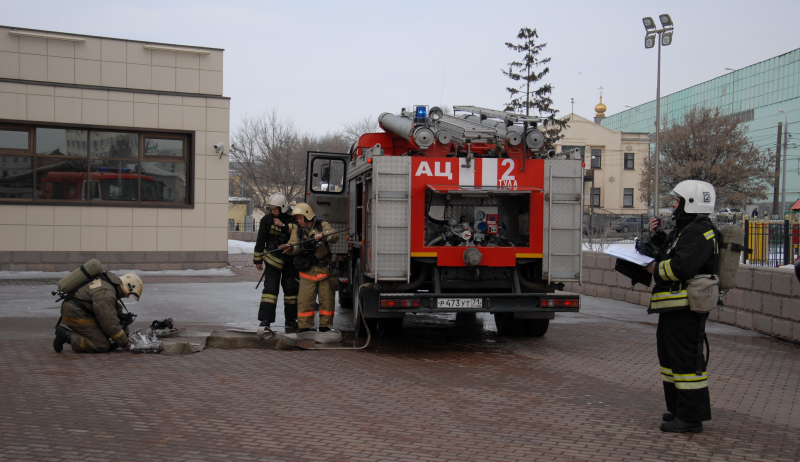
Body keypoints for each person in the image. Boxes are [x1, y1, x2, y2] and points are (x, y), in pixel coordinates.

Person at [645, 180, 717, 433]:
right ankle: (677, 408)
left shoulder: (699, 233)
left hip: (686, 308)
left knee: (686, 364)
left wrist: (654, 269)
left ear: (691, 203)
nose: (674, 205)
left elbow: (681, 267)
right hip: (673, 307)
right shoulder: (688, 230)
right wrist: (659, 238)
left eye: (678, 201)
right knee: (670, 361)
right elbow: (674, 253)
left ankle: (690, 417)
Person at [280, 203, 339, 333]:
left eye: (300, 218)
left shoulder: (321, 225)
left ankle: (325, 327)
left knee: (327, 301)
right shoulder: (297, 230)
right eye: (297, 218)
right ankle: (304, 327)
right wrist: (289, 248)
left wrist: (323, 235)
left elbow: (334, 236)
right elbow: (294, 244)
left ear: (307, 216)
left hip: (324, 271)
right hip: (307, 271)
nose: (299, 221)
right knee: (304, 301)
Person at [53, 272, 144, 353]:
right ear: (127, 285)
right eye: (130, 293)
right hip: (75, 314)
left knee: (107, 334)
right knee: (101, 344)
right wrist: (124, 343)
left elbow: (113, 311)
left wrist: (123, 324)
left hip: (79, 310)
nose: (128, 297)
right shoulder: (106, 293)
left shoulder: (108, 285)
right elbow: (109, 322)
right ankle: (65, 335)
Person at [253, 193, 299, 328]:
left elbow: (297, 232)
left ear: (283, 208)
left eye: (275, 210)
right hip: (272, 261)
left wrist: (282, 225)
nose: (273, 212)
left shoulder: (293, 220)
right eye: (271, 210)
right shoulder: (266, 220)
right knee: (270, 290)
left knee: (291, 291)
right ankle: (266, 319)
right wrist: (258, 261)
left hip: (290, 262)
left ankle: (291, 320)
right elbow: (260, 240)